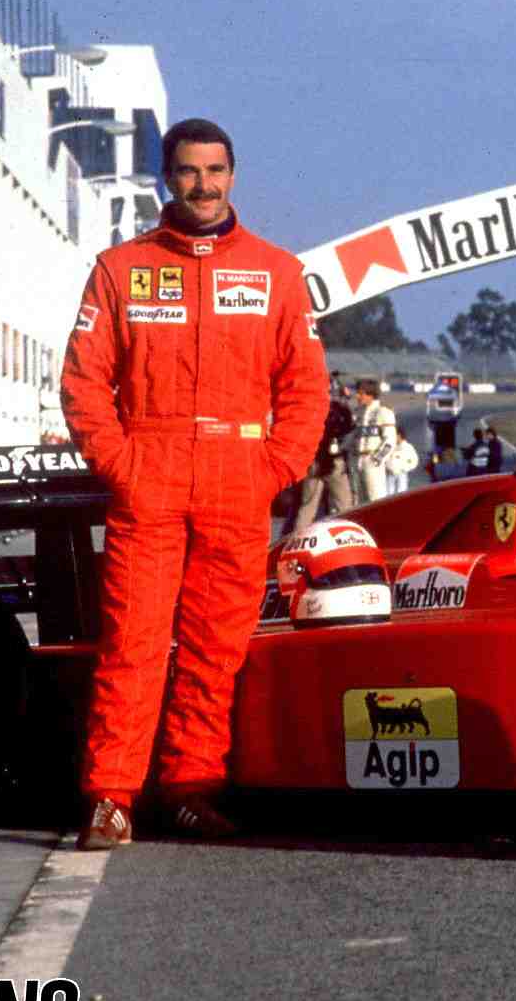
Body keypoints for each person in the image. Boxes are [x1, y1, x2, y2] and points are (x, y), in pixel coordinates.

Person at [61, 117, 327, 849]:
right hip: (149, 473)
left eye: (214, 171)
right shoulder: (120, 269)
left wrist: (274, 467)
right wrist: (122, 464)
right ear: (165, 178)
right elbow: (84, 384)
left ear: (233, 176)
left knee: (216, 647)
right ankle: (111, 794)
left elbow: (306, 388)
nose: (202, 185)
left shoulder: (275, 271)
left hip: (237, 476)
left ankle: (189, 786)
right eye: (187, 171)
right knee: (132, 642)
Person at [290, 372, 357, 531]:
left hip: (313, 460)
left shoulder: (305, 408)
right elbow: (350, 426)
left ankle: (297, 542)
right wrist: (346, 400)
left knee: (308, 506)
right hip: (333, 461)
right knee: (344, 505)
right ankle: (346, 539)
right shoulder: (338, 409)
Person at [353, 378, 396, 503]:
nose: (357, 396)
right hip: (357, 462)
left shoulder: (383, 412)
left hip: (372, 461)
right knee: (359, 502)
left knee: (375, 499)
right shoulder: (358, 413)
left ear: (370, 395)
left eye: (361, 393)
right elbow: (353, 437)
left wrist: (376, 460)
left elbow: (390, 441)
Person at [383, 426, 419, 495]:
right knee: (388, 494)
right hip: (389, 474)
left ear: (399, 435)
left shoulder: (408, 447)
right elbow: (382, 458)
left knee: (401, 493)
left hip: (401, 474)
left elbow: (414, 462)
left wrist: (404, 468)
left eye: (394, 435)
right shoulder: (388, 446)